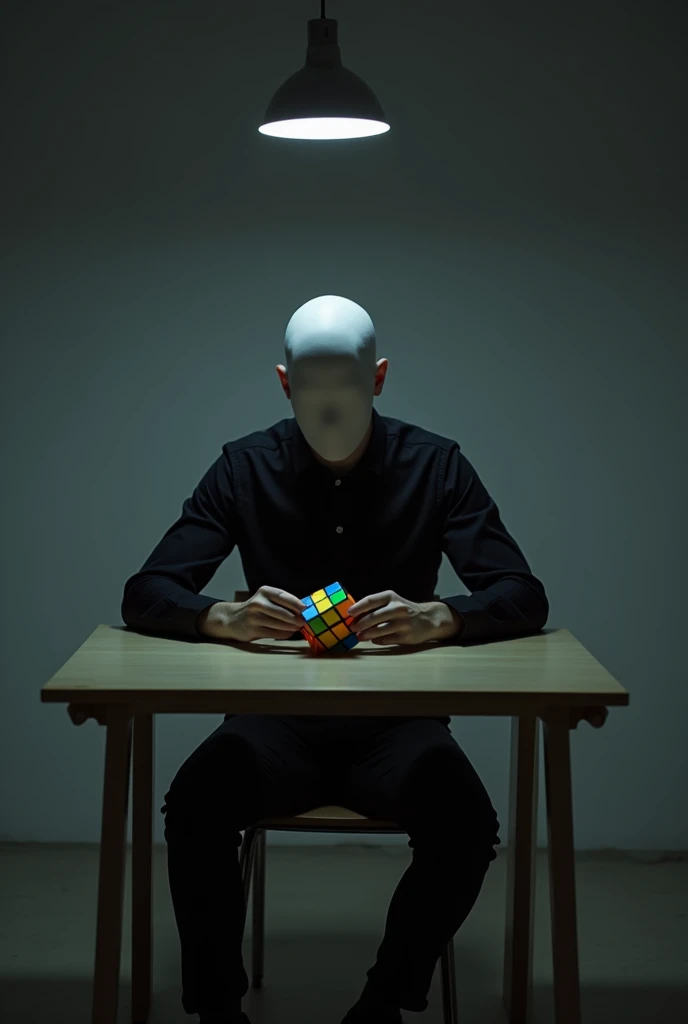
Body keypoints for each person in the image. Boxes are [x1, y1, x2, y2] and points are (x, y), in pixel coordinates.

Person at [121, 294, 549, 1024]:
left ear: (379, 379)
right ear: (283, 383)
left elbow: (521, 595)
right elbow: (147, 591)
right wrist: (216, 614)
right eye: (310, 390)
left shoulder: (436, 465)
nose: (326, 409)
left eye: (346, 388)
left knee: (467, 825)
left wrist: (443, 615)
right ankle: (217, 1010)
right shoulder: (243, 466)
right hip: (271, 724)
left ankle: (382, 1003)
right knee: (195, 803)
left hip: (399, 726)